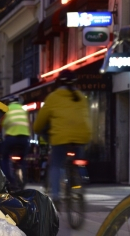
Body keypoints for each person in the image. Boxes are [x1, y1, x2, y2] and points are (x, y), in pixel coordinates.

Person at [33, 69, 91, 207]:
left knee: (56, 165)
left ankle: (56, 196)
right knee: (79, 160)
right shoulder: (81, 96)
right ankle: (81, 181)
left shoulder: (53, 97)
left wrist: (37, 129)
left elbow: (41, 121)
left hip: (61, 139)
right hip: (81, 136)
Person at [0, 96, 30, 190]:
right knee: (23, 159)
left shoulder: (8, 109)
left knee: (4, 157)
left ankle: (9, 180)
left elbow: (3, 123)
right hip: (24, 139)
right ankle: (24, 179)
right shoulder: (23, 110)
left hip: (11, 138)